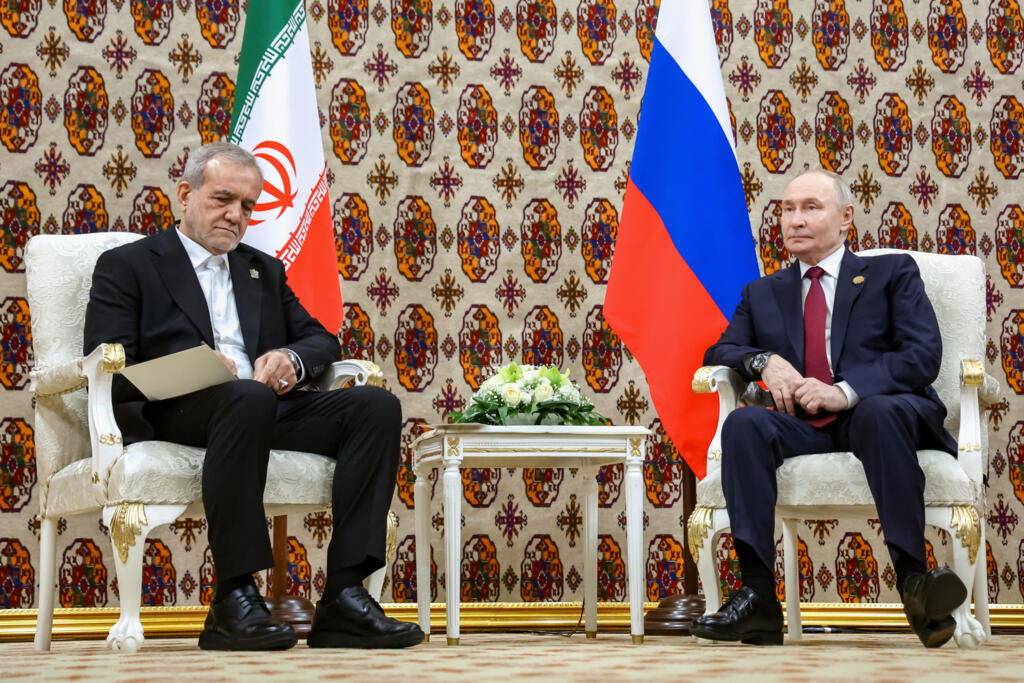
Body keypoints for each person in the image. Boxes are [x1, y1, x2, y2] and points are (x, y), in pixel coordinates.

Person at [84, 141, 423, 651]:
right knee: (245, 397)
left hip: (261, 407)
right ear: (185, 194)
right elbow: (110, 366)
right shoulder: (129, 265)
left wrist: (292, 359)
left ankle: (346, 598)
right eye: (223, 199)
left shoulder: (261, 269)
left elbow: (320, 339)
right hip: (176, 410)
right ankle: (233, 597)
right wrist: (193, 369)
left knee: (375, 406)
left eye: (247, 206)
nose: (235, 215)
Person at [691, 169, 966, 648]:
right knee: (745, 424)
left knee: (879, 414)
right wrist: (763, 360)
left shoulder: (891, 273)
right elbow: (720, 351)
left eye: (811, 207)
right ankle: (757, 597)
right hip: (805, 426)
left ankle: (914, 581)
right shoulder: (763, 293)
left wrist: (847, 391)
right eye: (787, 208)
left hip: (882, 418)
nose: (794, 220)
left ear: (846, 219)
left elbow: (922, 356)